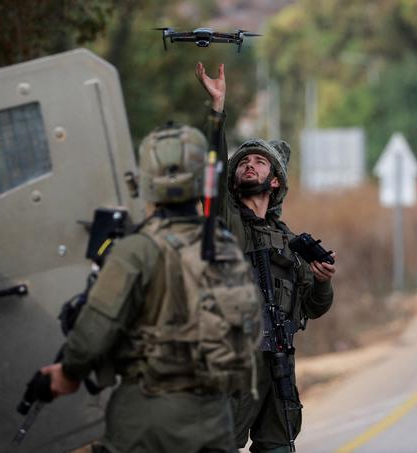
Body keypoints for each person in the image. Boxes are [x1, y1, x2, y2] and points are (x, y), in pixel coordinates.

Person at [40, 123, 263, 453]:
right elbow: (250, 328)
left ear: (145, 179)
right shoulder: (224, 246)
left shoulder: (137, 249)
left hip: (146, 418)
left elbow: (94, 331)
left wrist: (67, 373)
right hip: (213, 420)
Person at [195, 62, 336, 453]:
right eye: (243, 162)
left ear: (275, 181)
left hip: (278, 364)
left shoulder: (289, 242)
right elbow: (213, 168)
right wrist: (217, 110)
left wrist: (323, 281)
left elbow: (314, 306)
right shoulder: (226, 221)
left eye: (259, 162)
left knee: (278, 445)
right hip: (232, 362)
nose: (248, 164)